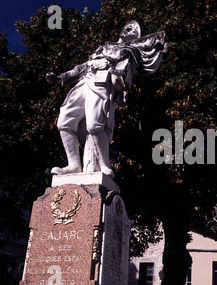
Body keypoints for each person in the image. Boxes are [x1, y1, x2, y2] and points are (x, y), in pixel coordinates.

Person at [47, 20, 167, 177]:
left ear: (135, 37)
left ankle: (104, 165)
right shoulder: (103, 47)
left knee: (94, 126)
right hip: (83, 83)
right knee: (64, 122)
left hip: (101, 85)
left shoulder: (129, 52)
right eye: (127, 28)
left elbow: (126, 75)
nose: (128, 31)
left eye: (133, 31)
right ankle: (73, 165)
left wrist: (123, 89)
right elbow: (82, 67)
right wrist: (60, 78)